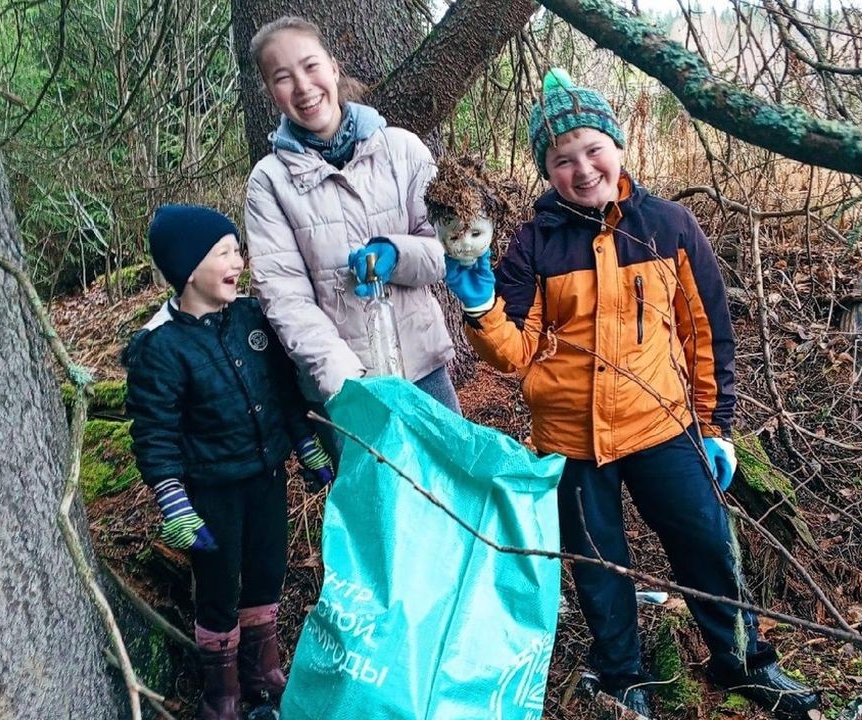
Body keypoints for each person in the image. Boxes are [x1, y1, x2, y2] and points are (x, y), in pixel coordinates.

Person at [443, 69, 820, 719]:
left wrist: (716, 424)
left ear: (617, 146)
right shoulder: (534, 243)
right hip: (570, 440)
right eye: (562, 160)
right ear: (547, 170)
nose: (581, 168)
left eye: (592, 149)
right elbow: (514, 352)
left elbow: (708, 334)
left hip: (664, 425)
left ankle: (742, 662)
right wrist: (481, 309)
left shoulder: (668, 225)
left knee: (706, 540)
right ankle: (623, 676)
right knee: (598, 566)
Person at [124, 204, 335, 720]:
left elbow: (284, 393)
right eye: (224, 252)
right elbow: (154, 434)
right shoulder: (161, 346)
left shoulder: (250, 318)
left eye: (236, 248)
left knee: (267, 571)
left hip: (265, 478)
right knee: (218, 586)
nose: (237, 260)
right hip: (209, 494)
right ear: (188, 267)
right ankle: (221, 695)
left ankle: (263, 672)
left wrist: (305, 446)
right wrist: (175, 506)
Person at [243, 15, 460, 449]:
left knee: (454, 500)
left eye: (310, 66)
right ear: (271, 92)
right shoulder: (269, 181)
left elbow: (448, 249)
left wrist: (397, 255)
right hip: (345, 390)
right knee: (378, 513)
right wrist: (346, 383)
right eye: (283, 77)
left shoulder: (401, 149)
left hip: (423, 369)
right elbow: (285, 297)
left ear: (333, 67)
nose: (303, 87)